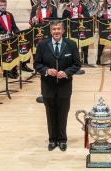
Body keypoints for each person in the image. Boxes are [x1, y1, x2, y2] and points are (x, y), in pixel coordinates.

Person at [33, 21, 81, 151]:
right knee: (50, 113)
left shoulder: (71, 44)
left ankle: (62, 139)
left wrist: (66, 73)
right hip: (48, 87)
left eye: (58, 29)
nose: (56, 31)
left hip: (65, 86)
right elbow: (36, 64)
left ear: (63, 31)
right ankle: (52, 139)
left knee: (63, 113)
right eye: (54, 29)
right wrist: (47, 71)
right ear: (50, 31)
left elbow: (77, 65)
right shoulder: (42, 45)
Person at [62, 0, 90, 65]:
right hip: (71, 28)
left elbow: (88, 17)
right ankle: (74, 60)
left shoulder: (83, 7)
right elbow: (63, 19)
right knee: (72, 45)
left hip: (81, 27)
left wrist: (83, 16)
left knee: (85, 42)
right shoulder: (67, 7)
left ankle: (85, 59)